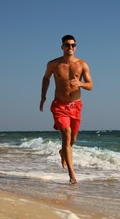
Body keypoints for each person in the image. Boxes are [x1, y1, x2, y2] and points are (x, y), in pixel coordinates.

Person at [39, 35, 93, 184]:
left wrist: (80, 84)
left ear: (76, 47)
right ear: (62, 47)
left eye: (73, 45)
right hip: (60, 105)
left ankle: (63, 152)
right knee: (67, 135)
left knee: (73, 139)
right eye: (67, 45)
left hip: (75, 105)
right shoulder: (54, 64)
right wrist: (43, 97)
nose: (70, 48)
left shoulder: (82, 64)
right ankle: (72, 175)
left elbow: (91, 85)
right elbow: (46, 78)